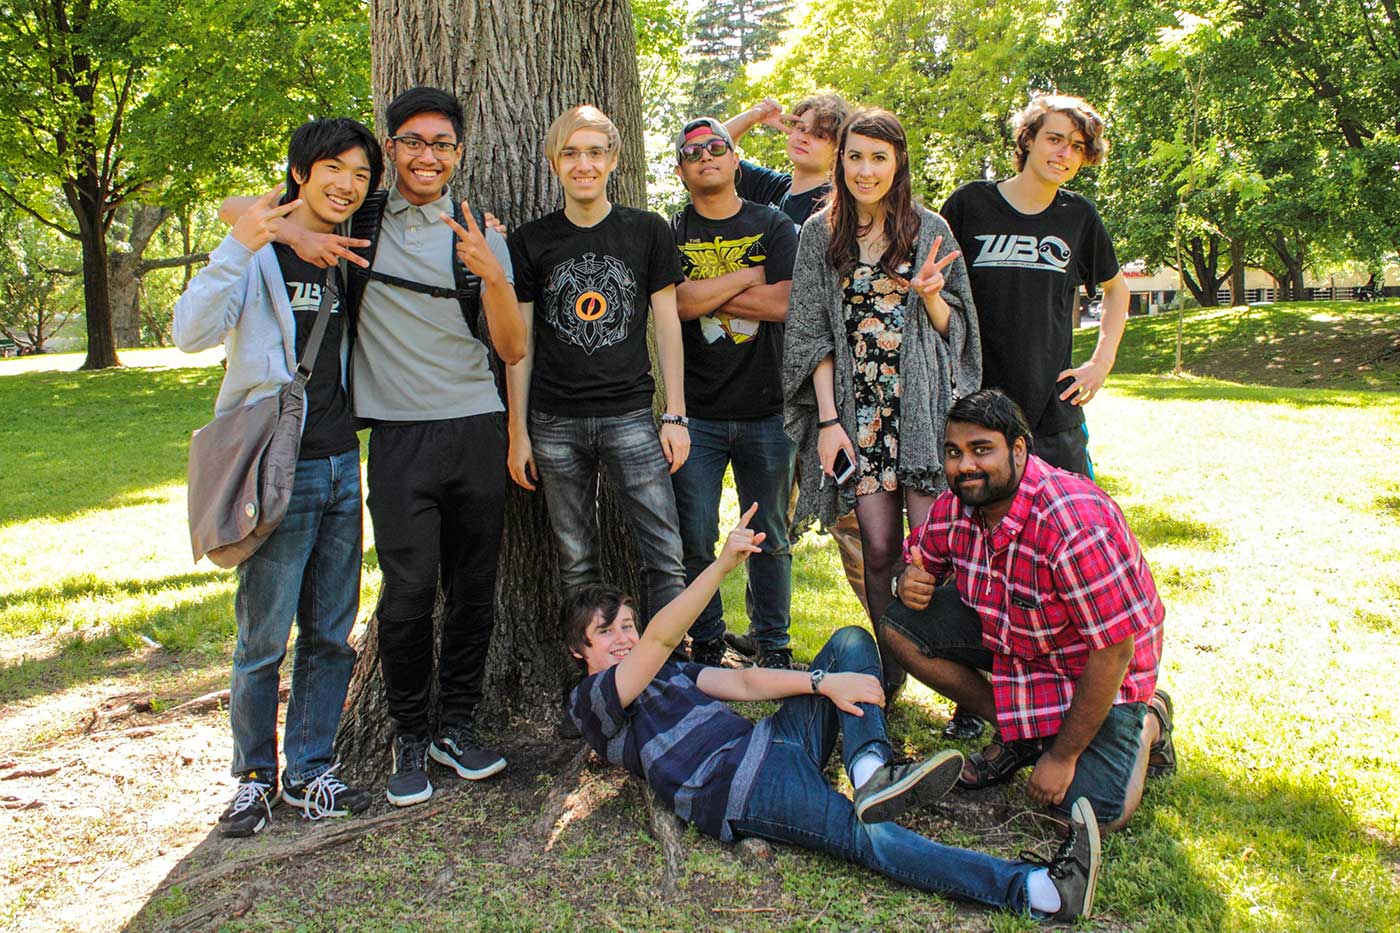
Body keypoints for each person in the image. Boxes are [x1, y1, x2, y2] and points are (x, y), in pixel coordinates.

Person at [565, 504, 1103, 922]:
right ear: (579, 652)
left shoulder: (670, 672)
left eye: (626, 625)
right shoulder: (595, 701)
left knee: (849, 644)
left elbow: (746, 680)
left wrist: (825, 683)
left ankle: (872, 774)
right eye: (605, 631)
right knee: (869, 841)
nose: (622, 638)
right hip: (740, 787)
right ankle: (1041, 892)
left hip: (775, 742)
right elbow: (661, 636)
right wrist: (722, 564)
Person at [223, 87, 529, 807]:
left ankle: (456, 724)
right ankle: (408, 733)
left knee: (474, 591)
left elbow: (513, 347)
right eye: (414, 142)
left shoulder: (476, 230)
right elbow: (235, 211)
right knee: (409, 592)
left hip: (475, 426)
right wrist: (296, 237)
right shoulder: (358, 211)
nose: (428, 156)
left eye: (443, 145)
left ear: (459, 154)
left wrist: (491, 272)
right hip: (396, 437)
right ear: (391, 150)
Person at [176, 118, 382, 835]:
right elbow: (189, 330)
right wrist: (251, 240)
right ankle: (252, 778)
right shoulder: (259, 248)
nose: (347, 183)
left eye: (359, 173)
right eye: (334, 167)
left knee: (330, 632)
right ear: (300, 171)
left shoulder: (353, 246)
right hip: (273, 467)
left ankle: (310, 769)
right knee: (262, 636)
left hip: (337, 465)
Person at [880, 389, 1176, 833]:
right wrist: (905, 580)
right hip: (1021, 644)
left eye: (982, 450)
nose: (964, 466)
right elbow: (918, 559)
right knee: (898, 625)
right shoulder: (959, 503)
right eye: (953, 452)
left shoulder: (1071, 524)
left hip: (1099, 669)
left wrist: (1063, 757)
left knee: (1080, 820)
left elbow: (1115, 651)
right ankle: (1023, 731)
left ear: (1018, 450)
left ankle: (1150, 721)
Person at [783, 108, 980, 638]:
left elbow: (958, 332)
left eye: (878, 158)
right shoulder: (820, 233)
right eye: (854, 157)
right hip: (857, 413)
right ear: (839, 162)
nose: (865, 170)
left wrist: (934, 298)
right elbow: (810, 333)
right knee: (878, 549)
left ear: (898, 163)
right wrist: (828, 422)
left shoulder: (929, 228)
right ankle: (889, 669)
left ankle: (955, 674)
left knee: (939, 549)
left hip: (921, 408)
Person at [506, 105, 688, 627]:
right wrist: (518, 431)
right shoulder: (531, 242)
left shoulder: (648, 231)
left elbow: (668, 326)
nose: (582, 164)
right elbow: (519, 347)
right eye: (570, 153)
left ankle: (667, 673)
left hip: (630, 415)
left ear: (613, 161)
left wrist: (674, 414)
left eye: (594, 152)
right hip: (553, 422)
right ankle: (598, 677)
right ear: (553, 163)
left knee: (665, 556)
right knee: (576, 562)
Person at [724, 94, 872, 620]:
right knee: (768, 517)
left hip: (827, 387)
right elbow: (712, 145)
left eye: (819, 132)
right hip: (771, 386)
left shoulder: (840, 205)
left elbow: (807, 303)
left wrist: (713, 291)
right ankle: (768, 634)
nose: (800, 136)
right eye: (796, 126)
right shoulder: (776, 191)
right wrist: (756, 116)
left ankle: (897, 647)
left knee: (849, 521)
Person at [940, 94, 1129, 479]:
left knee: (1073, 528)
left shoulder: (1078, 216)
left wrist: (1100, 364)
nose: (1065, 153)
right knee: (979, 532)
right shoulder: (969, 204)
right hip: (976, 406)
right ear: (1028, 139)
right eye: (1055, 139)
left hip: (1053, 411)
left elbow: (1116, 288)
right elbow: (937, 296)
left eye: (1077, 147)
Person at [668, 116, 799, 669]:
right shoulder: (671, 232)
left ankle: (773, 644)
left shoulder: (774, 223)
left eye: (716, 146)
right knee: (694, 537)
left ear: (734, 158)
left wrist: (705, 294)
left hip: (769, 409)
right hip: (695, 413)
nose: (706, 156)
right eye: (693, 151)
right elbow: (674, 304)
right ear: (680, 171)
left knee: (770, 534)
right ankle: (706, 638)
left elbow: (787, 303)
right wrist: (748, 276)